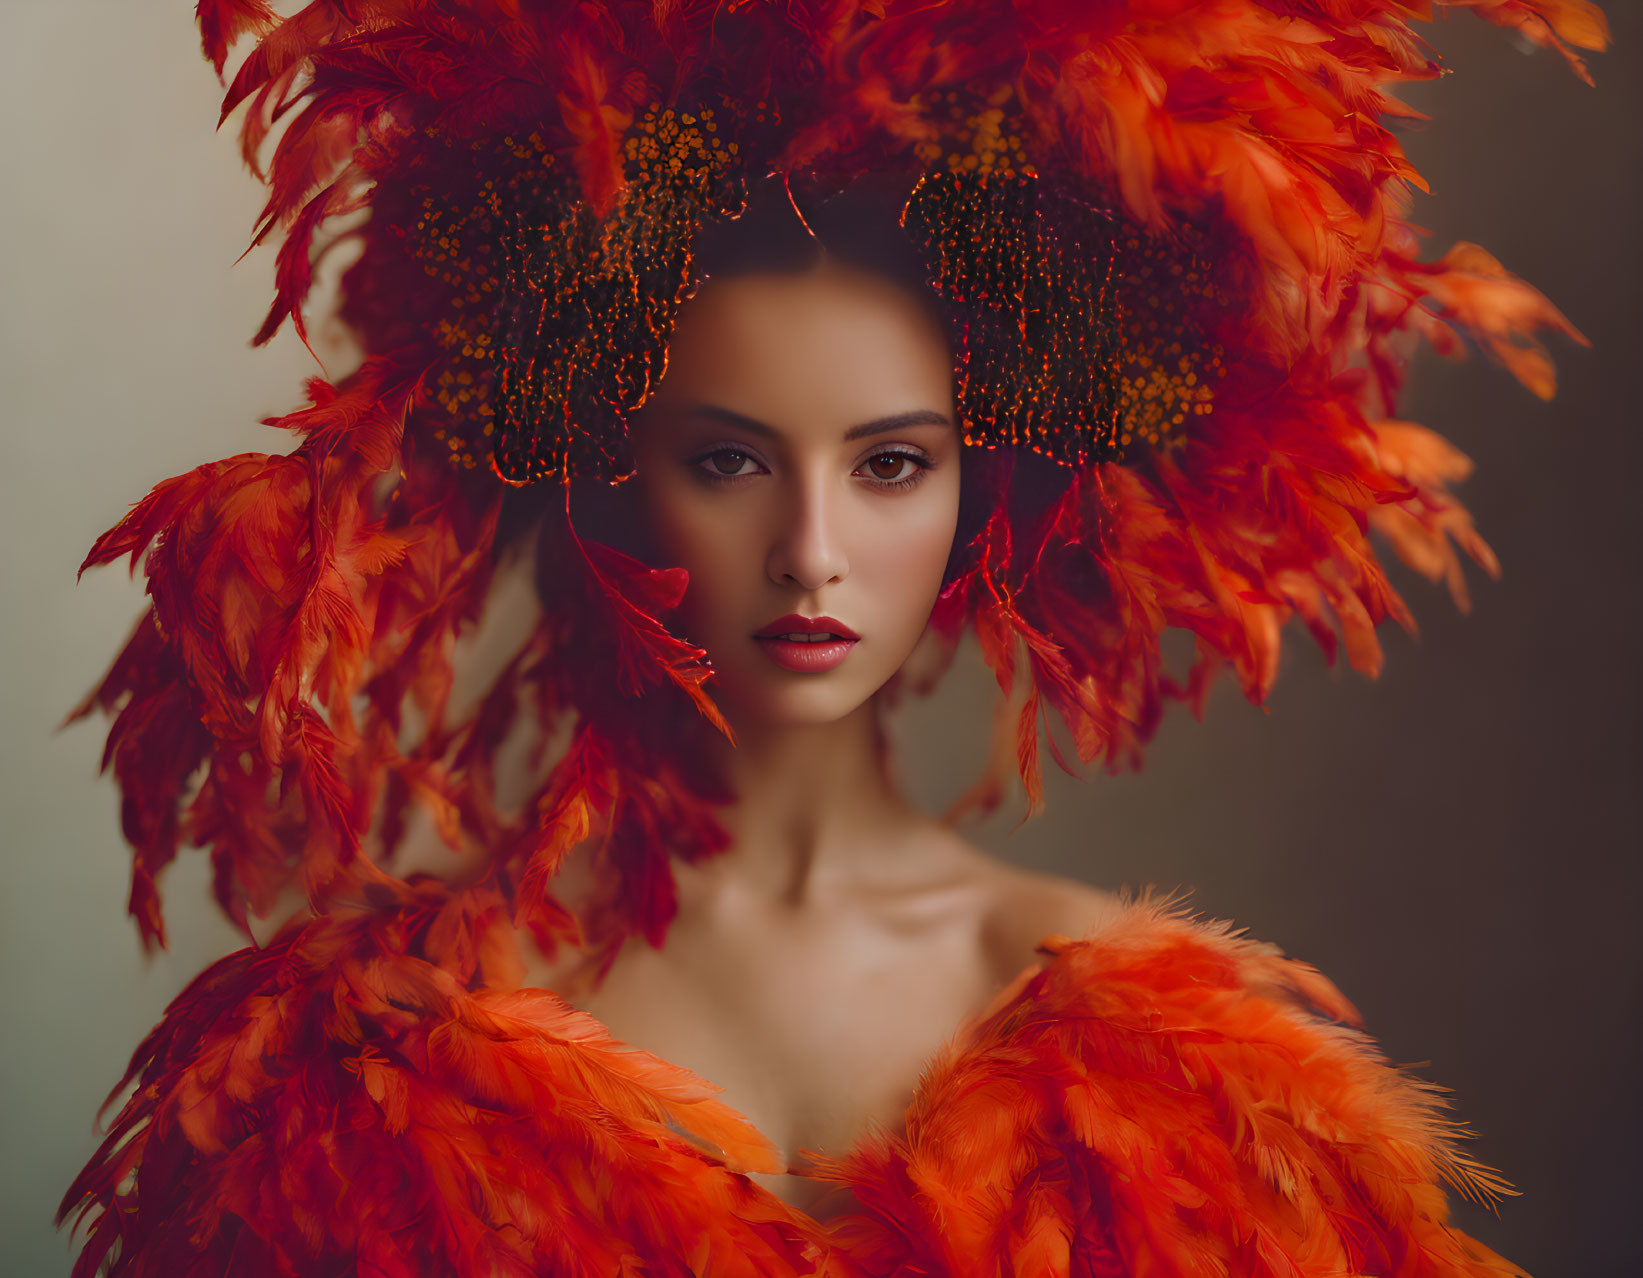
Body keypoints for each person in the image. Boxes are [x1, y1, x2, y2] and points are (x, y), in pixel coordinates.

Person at [57, 1, 1608, 1274]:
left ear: (980, 479)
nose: (811, 552)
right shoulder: (359, 1068)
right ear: (602, 465)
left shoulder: (1164, 1055)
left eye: (890, 464)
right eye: (728, 459)